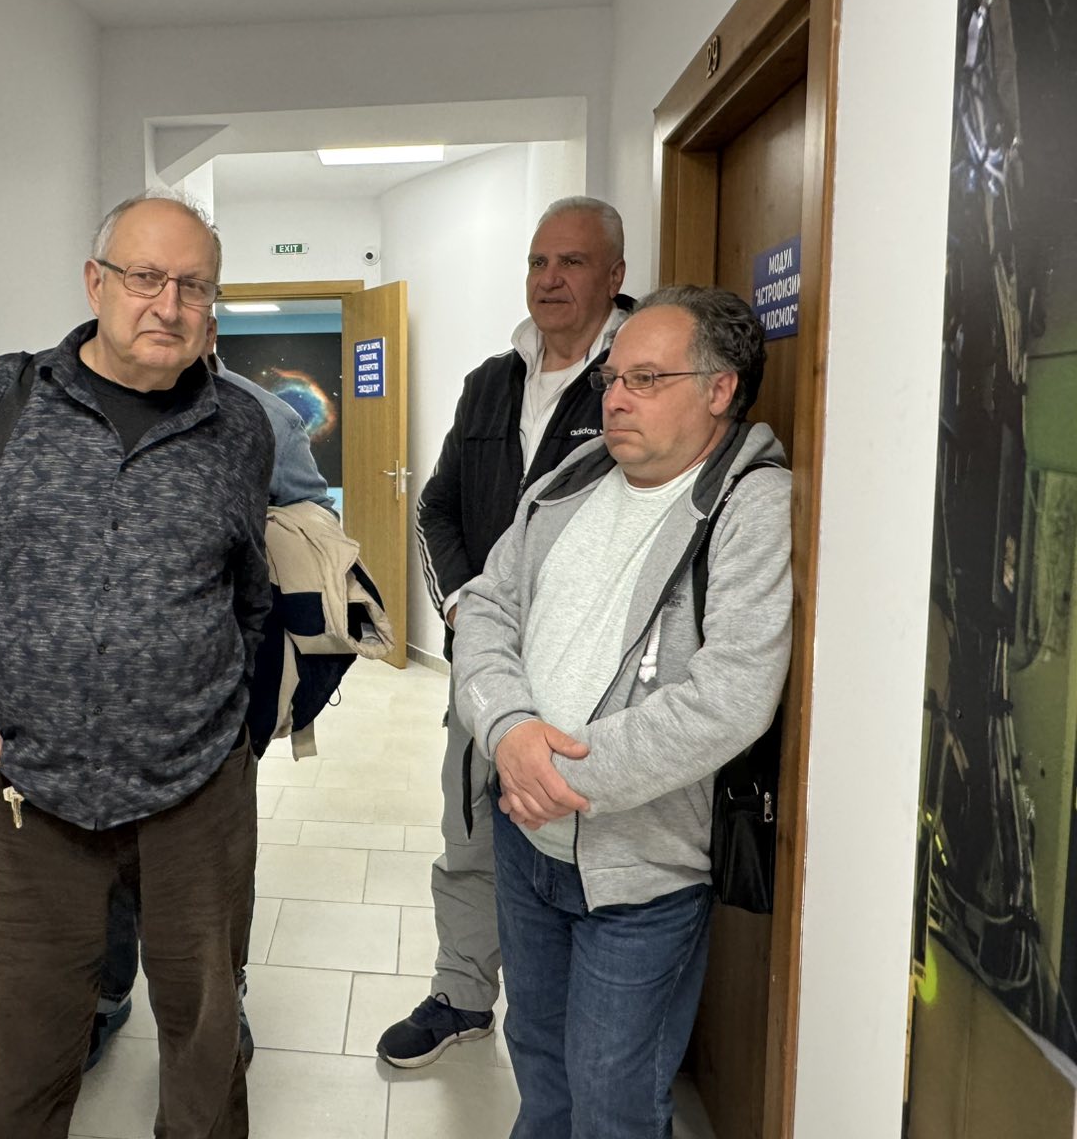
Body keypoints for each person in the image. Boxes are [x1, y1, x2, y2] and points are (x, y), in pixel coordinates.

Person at [0, 191, 274, 1139]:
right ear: (95, 282)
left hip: (196, 794)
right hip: (26, 791)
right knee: (23, 1057)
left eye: (194, 286)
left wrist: (233, 733)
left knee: (207, 1043)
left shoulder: (240, 426)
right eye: (146, 277)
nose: (168, 305)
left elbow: (249, 596)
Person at [454, 284, 792, 1136]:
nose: (614, 398)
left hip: (639, 871)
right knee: (538, 1063)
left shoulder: (750, 504)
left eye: (646, 378)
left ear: (719, 390)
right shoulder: (569, 478)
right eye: (612, 377)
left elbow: (732, 695)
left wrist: (554, 775)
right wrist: (507, 732)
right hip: (524, 841)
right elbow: (486, 607)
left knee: (613, 1100)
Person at [380, 196, 634, 1066]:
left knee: (579, 847)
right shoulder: (491, 381)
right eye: (537, 262)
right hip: (485, 676)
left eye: (572, 262)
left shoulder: (637, 377)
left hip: (592, 683)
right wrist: (461, 611)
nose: (549, 279)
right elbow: (437, 506)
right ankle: (461, 994)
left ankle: (576, 1025)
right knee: (471, 836)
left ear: (615, 275)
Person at [88, 340, 334, 1070]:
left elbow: (312, 525)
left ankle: (225, 997)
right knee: (104, 854)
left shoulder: (265, 416)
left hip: (219, 691)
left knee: (212, 862)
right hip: (98, 698)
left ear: (210, 320)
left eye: (189, 293)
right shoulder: (81, 410)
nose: (165, 314)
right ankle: (106, 995)